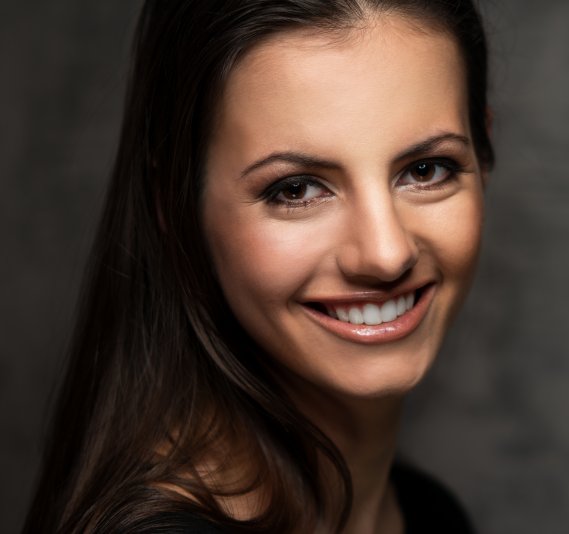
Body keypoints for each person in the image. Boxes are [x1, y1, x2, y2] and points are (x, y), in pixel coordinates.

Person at [23, 0, 494, 532]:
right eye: (295, 189)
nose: (387, 254)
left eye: (426, 169)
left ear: (484, 147)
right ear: (172, 205)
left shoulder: (428, 513)